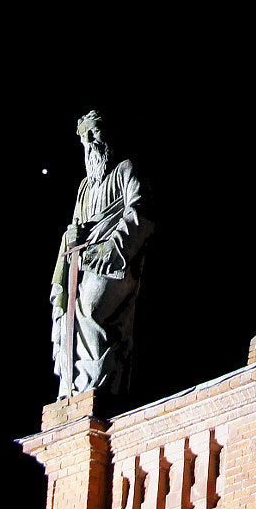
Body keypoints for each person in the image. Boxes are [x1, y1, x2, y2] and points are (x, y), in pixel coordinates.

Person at [51, 110, 152, 400]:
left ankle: (99, 382)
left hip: (115, 260)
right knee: (68, 313)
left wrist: (113, 245)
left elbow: (141, 212)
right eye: (84, 138)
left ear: (107, 135)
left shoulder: (125, 170)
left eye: (94, 133)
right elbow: (75, 226)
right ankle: (74, 389)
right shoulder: (84, 187)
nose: (90, 142)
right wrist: (70, 236)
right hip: (84, 261)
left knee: (90, 306)